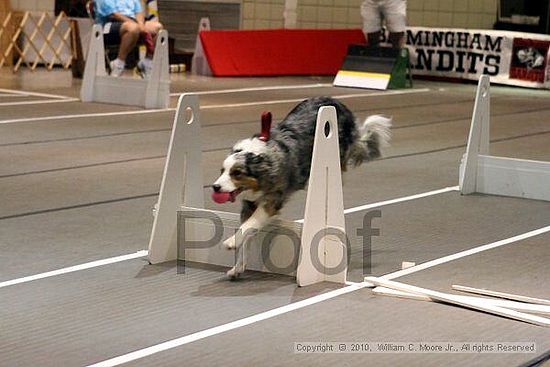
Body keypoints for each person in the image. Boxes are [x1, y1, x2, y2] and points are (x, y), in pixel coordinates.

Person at [94, 0, 163, 78]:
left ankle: (147, 62)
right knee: (132, 28)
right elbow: (113, 14)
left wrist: (140, 24)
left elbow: (138, 12)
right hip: (108, 25)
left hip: (133, 24)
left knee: (157, 27)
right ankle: (118, 63)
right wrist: (136, 25)